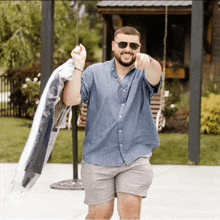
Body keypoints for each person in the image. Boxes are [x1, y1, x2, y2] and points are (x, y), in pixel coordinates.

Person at [63, 26, 162, 220]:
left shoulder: (144, 73)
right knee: (99, 215)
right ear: (113, 46)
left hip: (134, 158)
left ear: (139, 47)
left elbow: (156, 73)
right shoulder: (94, 72)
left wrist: (149, 61)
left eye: (133, 45)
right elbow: (71, 99)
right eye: (123, 44)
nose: (128, 49)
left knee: (131, 215)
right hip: (98, 158)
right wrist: (78, 66)